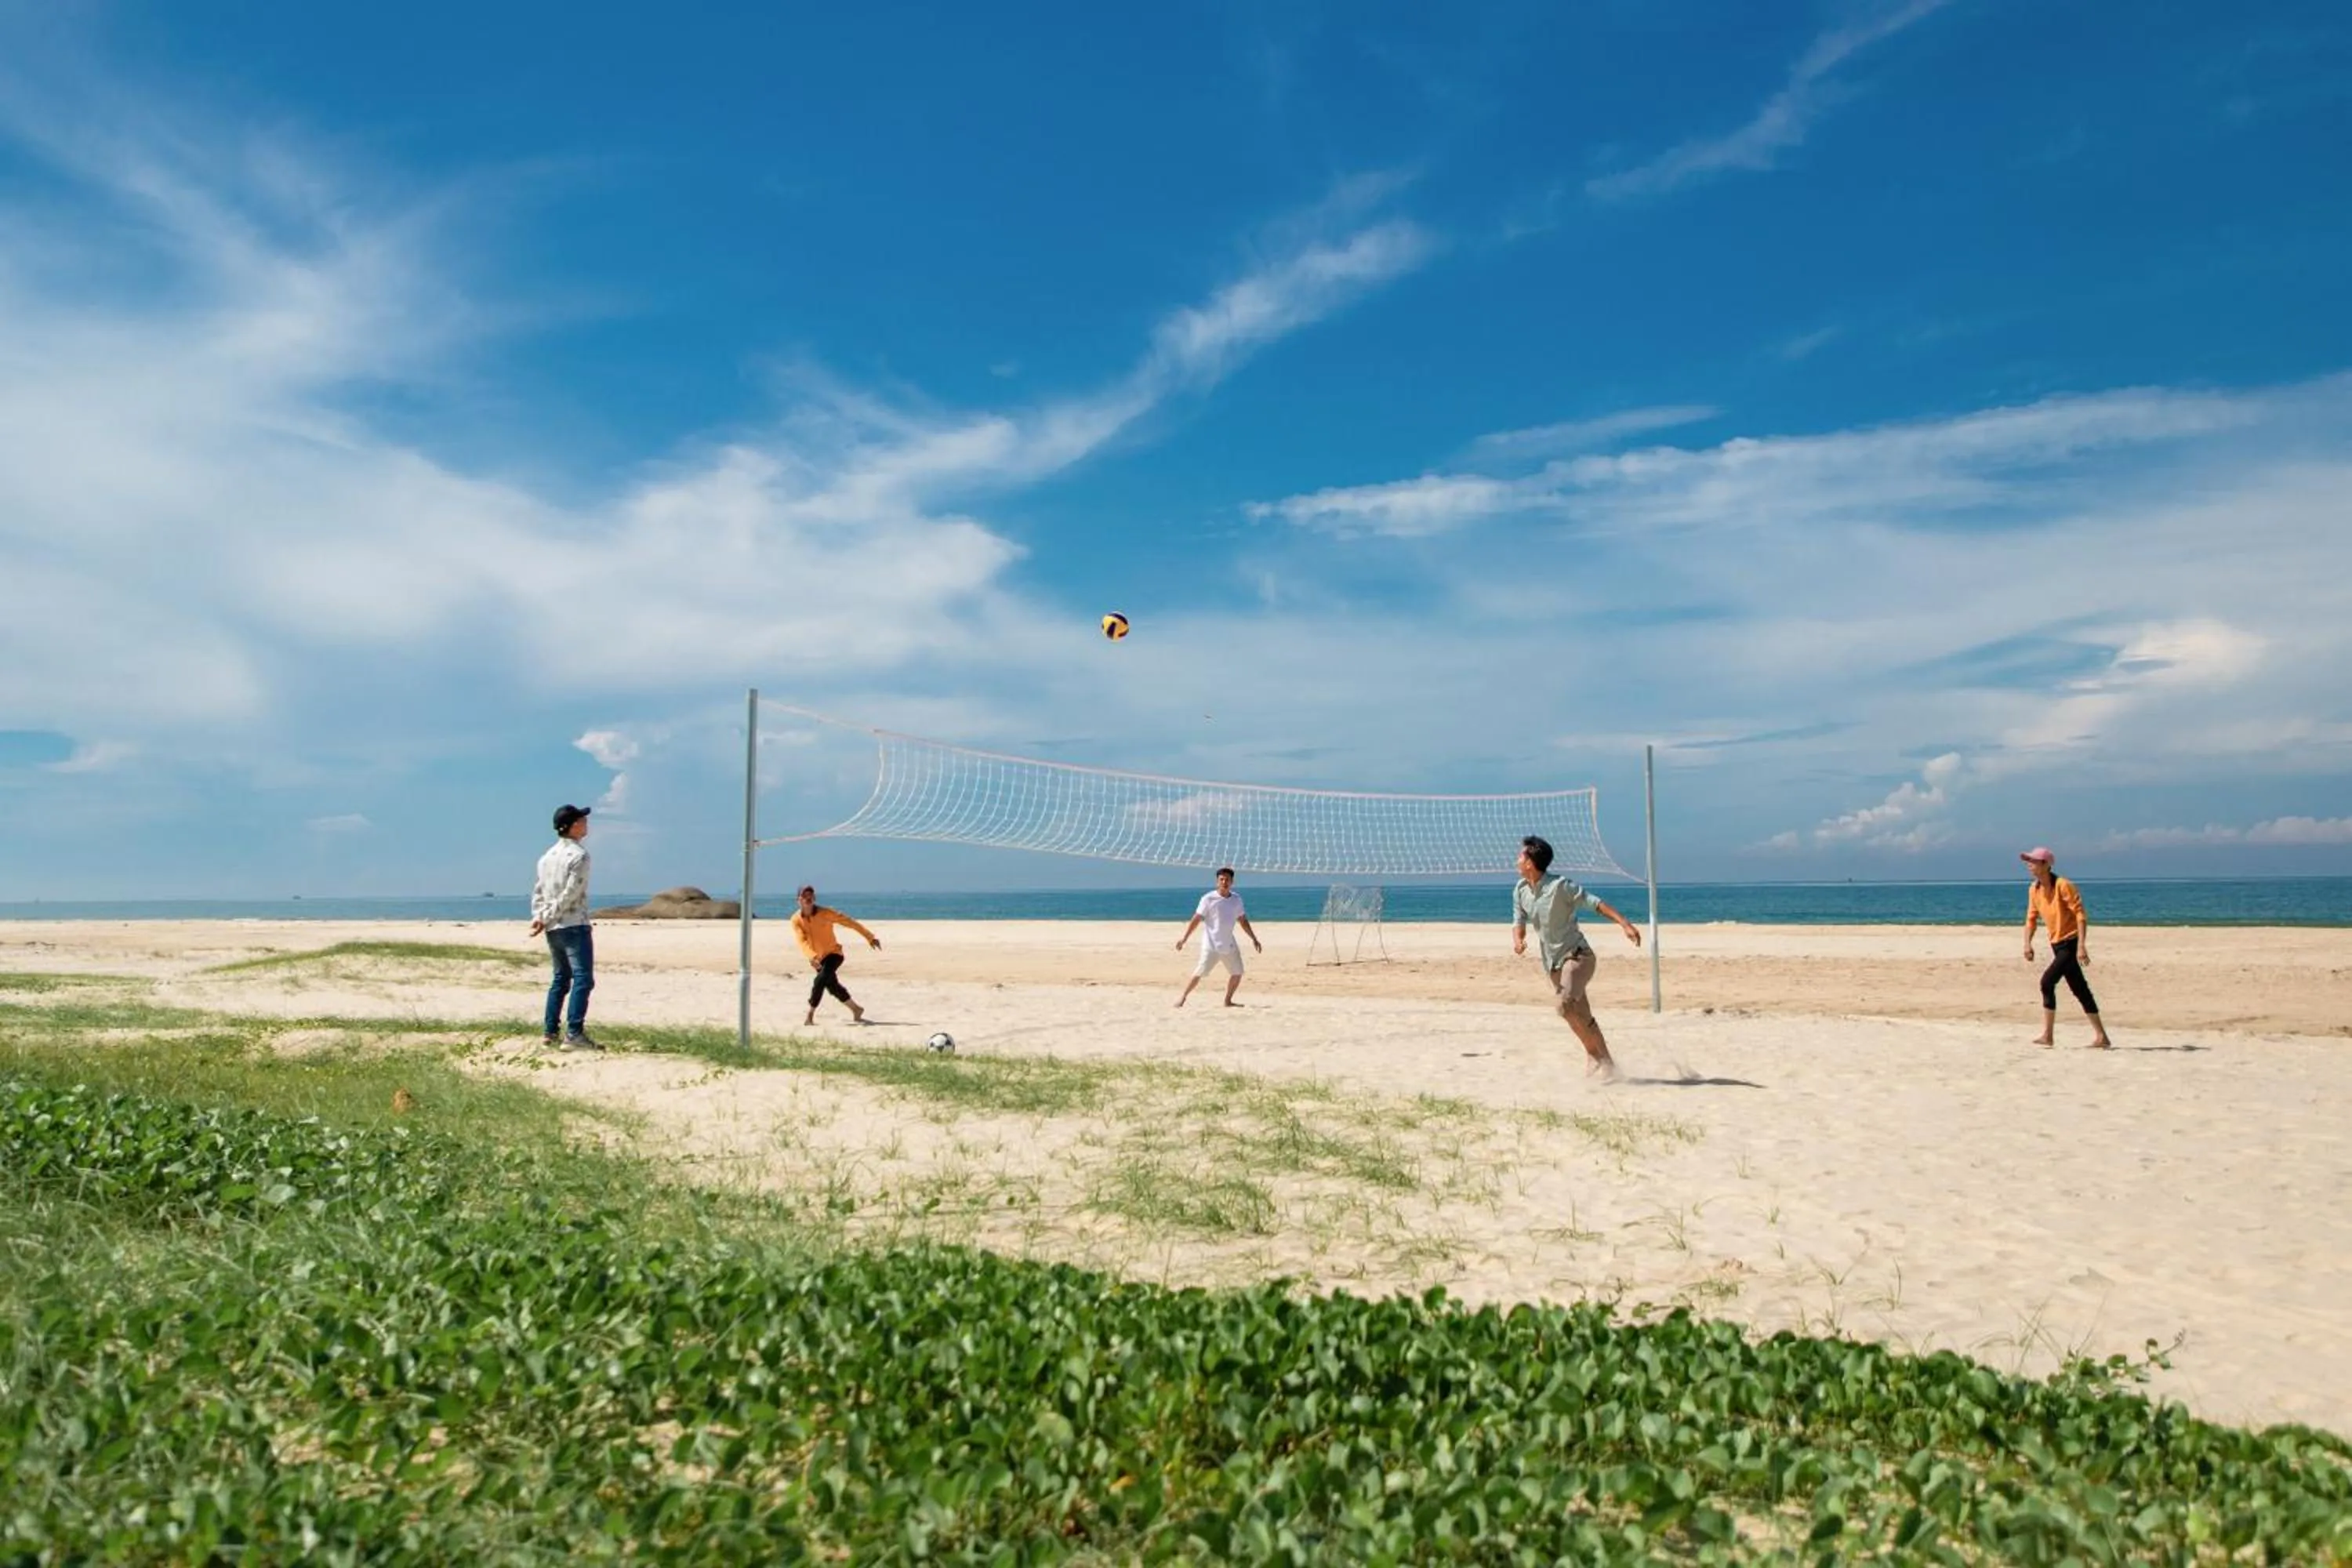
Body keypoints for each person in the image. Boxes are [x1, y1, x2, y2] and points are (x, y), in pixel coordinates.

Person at [1512, 834, 1642, 1080]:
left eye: (1521, 855)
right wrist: (1518, 940)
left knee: (1564, 1005)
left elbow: (1596, 903)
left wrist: (1625, 925)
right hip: (1552, 964)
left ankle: (1595, 1054)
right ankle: (1606, 1063)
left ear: (1530, 862)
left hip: (1578, 957)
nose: (1517, 860)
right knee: (1579, 1015)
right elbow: (1518, 921)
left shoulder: (1560, 886)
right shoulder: (1520, 890)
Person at [2020, 847, 2112, 1049]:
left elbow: (2081, 915)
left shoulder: (2063, 885)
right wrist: (2027, 943)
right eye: (2028, 861)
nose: (2029, 865)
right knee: (2080, 989)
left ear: (2046, 864)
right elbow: (2031, 919)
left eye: (2033, 861)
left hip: (2070, 944)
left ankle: (2048, 1035)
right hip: (2056, 944)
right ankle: (2102, 1037)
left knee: (2047, 982)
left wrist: (2081, 946)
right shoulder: (2034, 889)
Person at [528, 804, 599, 1050]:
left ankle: (550, 1032)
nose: (586, 824)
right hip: (573, 924)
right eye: (582, 820)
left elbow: (538, 892)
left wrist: (541, 917)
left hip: (553, 927)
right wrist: (547, 916)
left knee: (560, 979)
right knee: (583, 979)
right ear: (572, 825)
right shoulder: (579, 855)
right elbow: (572, 893)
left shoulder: (546, 857)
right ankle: (574, 1034)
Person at [793, 884, 880, 1027]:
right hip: (817, 958)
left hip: (834, 954)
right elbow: (801, 941)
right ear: (799, 900)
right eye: (805, 896)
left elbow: (849, 922)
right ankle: (856, 1009)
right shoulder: (796, 920)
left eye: (811, 896)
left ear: (814, 898)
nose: (808, 899)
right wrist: (812, 956)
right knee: (832, 986)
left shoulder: (825, 913)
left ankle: (810, 1014)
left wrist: (869, 937)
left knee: (819, 981)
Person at [1175, 866, 1262, 1007]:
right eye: (1221, 879)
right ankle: (1183, 997)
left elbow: (1243, 920)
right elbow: (1196, 919)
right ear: (1217, 882)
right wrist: (1184, 939)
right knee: (1199, 973)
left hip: (1229, 944)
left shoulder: (1236, 899)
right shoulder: (1208, 899)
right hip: (1211, 945)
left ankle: (1227, 1000)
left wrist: (1254, 938)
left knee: (1237, 973)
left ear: (1232, 882)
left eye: (1227, 879)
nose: (1224, 882)